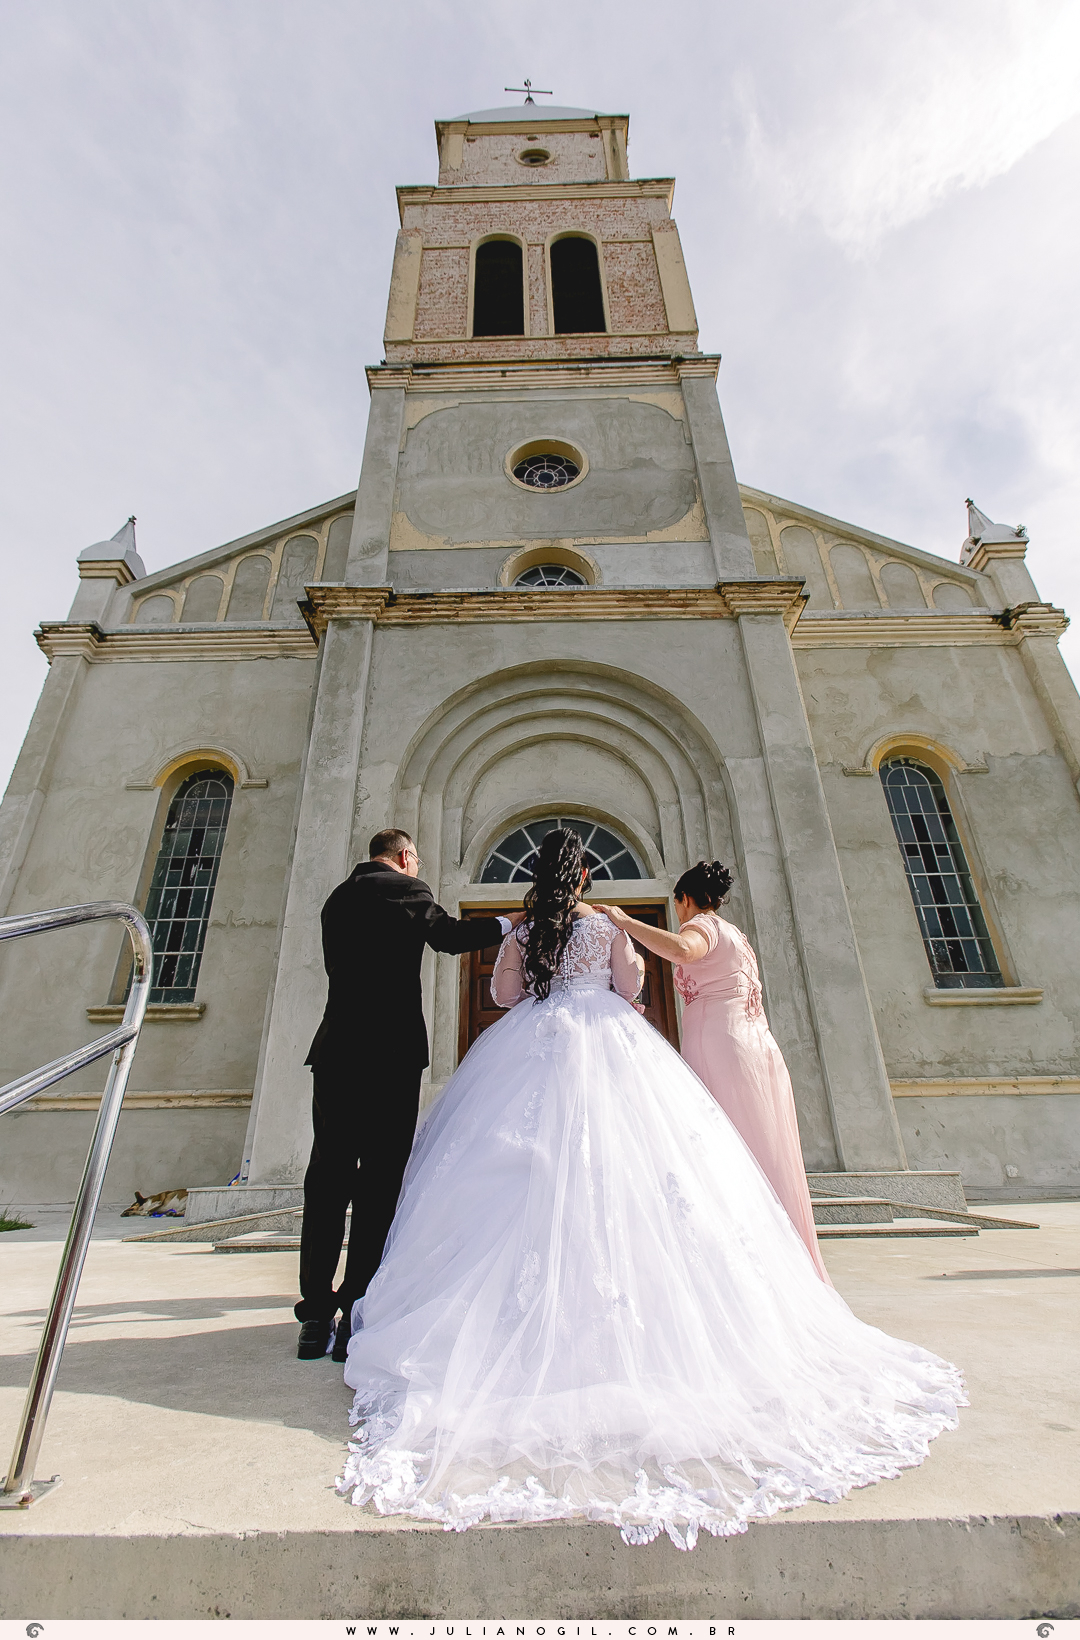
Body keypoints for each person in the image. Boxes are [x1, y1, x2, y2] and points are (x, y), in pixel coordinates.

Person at [337, 828, 964, 1548]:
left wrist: (537, 979)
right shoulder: (603, 924)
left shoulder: (524, 929)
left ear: (540, 875)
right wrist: (606, 980)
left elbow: (504, 993)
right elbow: (633, 986)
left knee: (509, 1182)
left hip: (529, 1045)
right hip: (607, 1041)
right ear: (584, 878)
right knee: (638, 1175)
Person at [295, 827, 519, 1362]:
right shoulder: (406, 892)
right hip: (388, 1060)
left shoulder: (337, 899)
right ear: (404, 856)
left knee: (327, 1178)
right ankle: (356, 1312)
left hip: (335, 1054)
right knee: (378, 1181)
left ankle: (313, 1317)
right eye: (416, 860)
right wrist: (509, 923)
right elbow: (450, 937)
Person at [602, 863, 830, 1282]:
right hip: (755, 1046)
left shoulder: (703, 927)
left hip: (721, 1047)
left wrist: (625, 921)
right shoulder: (736, 935)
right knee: (763, 1149)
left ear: (685, 900)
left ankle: (750, 1260)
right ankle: (780, 1257)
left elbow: (683, 951)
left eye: (677, 905)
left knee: (724, 1147)